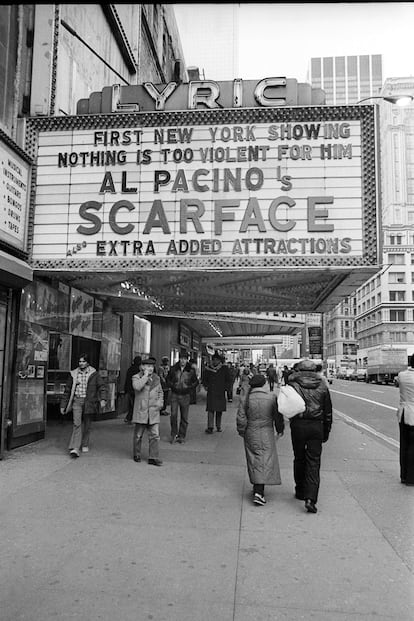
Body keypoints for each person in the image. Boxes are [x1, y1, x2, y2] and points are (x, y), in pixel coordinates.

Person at [287, 359, 332, 513]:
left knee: (299, 457)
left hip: (298, 425)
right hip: (316, 426)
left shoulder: (293, 385)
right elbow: (328, 412)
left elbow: (286, 406)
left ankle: (300, 490)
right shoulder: (323, 386)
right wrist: (326, 432)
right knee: (314, 461)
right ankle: (311, 498)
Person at [237, 374, 284, 505]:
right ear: (264, 384)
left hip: (250, 431)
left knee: (254, 459)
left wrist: (242, 431)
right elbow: (277, 416)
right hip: (267, 431)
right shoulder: (271, 397)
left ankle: (257, 488)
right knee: (265, 459)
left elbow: (241, 416)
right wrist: (280, 430)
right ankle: (259, 491)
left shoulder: (246, 398)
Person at [60, 353, 107, 458]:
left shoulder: (94, 374)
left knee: (87, 424)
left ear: (88, 362)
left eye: (83, 361)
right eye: (80, 361)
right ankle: (75, 448)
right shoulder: (73, 374)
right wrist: (63, 405)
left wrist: (103, 399)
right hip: (77, 401)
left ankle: (85, 443)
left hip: (89, 402)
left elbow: (102, 387)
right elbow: (67, 390)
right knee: (77, 423)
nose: (81, 363)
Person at [132, 357, 164, 466]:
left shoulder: (156, 378)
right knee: (138, 435)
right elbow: (137, 387)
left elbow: (160, 392)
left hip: (153, 411)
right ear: (142, 367)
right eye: (148, 366)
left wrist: (160, 403)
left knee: (155, 435)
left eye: (152, 366)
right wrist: (145, 376)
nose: (150, 369)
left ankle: (153, 457)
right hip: (142, 410)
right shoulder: (137, 377)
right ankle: (137, 454)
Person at [167, 351, 199, 444]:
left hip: (185, 395)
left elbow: (196, 382)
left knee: (184, 417)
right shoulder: (173, 369)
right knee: (173, 415)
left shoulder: (190, 370)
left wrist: (189, 388)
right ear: (179, 359)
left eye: (184, 359)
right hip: (174, 394)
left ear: (187, 360)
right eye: (181, 358)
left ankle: (182, 435)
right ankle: (174, 434)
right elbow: (168, 379)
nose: (183, 361)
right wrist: (172, 385)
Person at [395, 354, 414, 485]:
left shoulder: (402, 375)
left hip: (403, 413)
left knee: (404, 445)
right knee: (413, 446)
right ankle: (411, 478)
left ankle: (404, 475)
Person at [203, 352, 231, 433]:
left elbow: (228, 380)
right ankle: (210, 427)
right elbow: (204, 379)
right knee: (211, 410)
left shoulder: (224, 369)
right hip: (211, 392)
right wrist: (206, 385)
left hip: (220, 392)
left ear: (219, 361)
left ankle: (218, 426)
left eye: (216, 360)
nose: (214, 361)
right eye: (213, 360)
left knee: (219, 410)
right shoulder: (208, 369)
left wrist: (226, 388)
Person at [123, 356, 142, 424]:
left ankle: (130, 418)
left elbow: (127, 380)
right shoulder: (139, 370)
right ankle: (131, 418)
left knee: (132, 404)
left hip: (131, 389)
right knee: (135, 404)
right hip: (136, 389)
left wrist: (126, 389)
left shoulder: (130, 369)